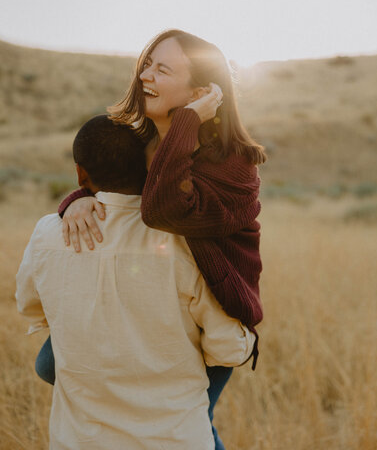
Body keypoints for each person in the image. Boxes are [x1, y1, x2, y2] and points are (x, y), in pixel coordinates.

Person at [57, 29, 266, 448]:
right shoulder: (138, 142)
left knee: (187, 425)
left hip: (209, 318)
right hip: (146, 311)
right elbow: (105, 185)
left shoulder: (233, 164)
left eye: (162, 68)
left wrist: (187, 121)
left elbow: (163, 210)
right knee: (51, 363)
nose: (144, 75)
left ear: (202, 92)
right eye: (146, 62)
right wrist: (76, 201)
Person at [16, 115, 256, 450]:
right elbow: (228, 349)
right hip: (174, 440)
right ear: (152, 167)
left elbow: (29, 308)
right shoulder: (183, 240)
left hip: (77, 441)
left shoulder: (48, 233)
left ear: (80, 174)